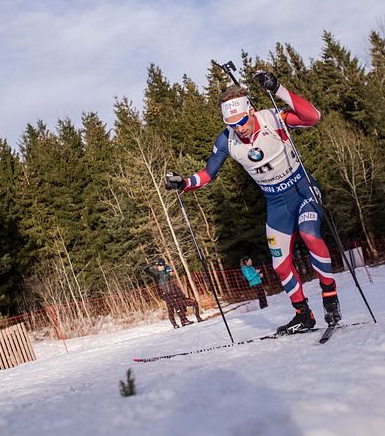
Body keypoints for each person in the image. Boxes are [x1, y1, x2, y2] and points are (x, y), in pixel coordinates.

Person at [164, 71, 341, 335]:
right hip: (276, 203)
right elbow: (208, 174)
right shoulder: (227, 140)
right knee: (280, 265)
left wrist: (279, 89)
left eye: (242, 120)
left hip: (302, 191)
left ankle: (330, 298)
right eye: (231, 123)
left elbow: (312, 117)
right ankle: (303, 315)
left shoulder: (272, 119)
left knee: (309, 234)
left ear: (251, 111)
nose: (239, 127)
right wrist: (184, 182)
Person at [143, 258, 204, 328]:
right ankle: (183, 320)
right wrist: (153, 263)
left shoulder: (167, 274)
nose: (159, 267)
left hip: (172, 294)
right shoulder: (156, 273)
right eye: (158, 266)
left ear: (164, 266)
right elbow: (145, 268)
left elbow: (170, 273)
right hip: (164, 294)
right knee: (175, 305)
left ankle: (180, 323)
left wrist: (169, 270)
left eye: (160, 265)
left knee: (171, 307)